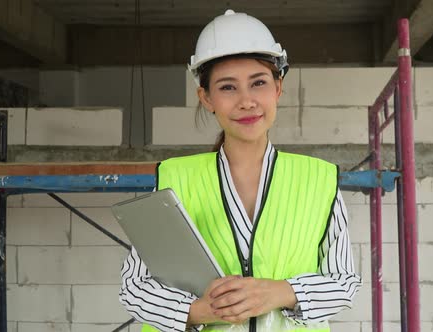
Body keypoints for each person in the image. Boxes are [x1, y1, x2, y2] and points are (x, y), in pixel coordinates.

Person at [119, 9, 361, 332]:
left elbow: (344, 282)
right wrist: (197, 311)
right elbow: (134, 287)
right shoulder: (174, 180)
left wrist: (280, 292)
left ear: (278, 87)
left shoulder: (318, 180)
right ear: (206, 97)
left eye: (258, 83)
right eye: (228, 88)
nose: (247, 101)